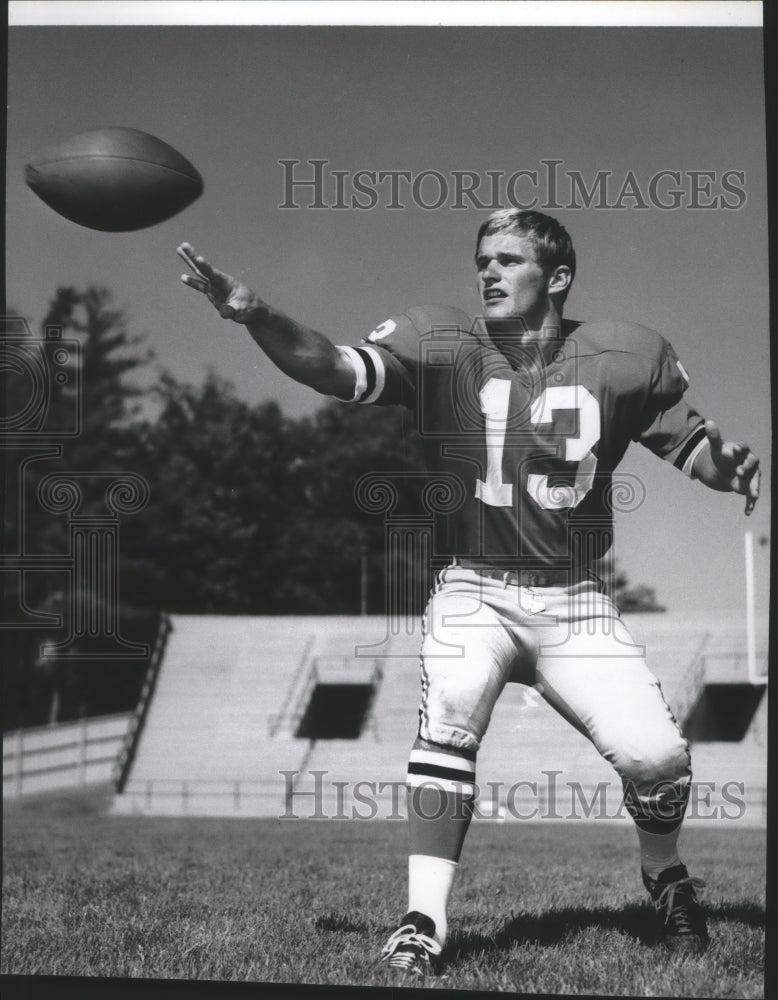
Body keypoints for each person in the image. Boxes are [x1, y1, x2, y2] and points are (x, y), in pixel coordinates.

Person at [177, 209, 760, 975]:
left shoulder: (623, 355)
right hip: (474, 586)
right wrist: (256, 315)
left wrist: (730, 471)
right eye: (482, 258)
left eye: (508, 259)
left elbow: (694, 452)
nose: (487, 272)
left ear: (556, 278)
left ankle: (663, 873)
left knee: (657, 760)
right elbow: (332, 367)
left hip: (574, 598)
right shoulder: (442, 342)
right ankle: (423, 920)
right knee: (448, 716)